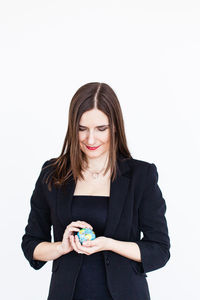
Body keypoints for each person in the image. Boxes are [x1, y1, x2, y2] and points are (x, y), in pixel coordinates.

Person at [21, 82, 171, 300]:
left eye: (101, 129)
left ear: (115, 127)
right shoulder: (52, 173)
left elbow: (159, 250)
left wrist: (108, 244)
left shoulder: (141, 176)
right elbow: (31, 245)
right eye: (82, 129)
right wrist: (62, 247)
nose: (91, 139)